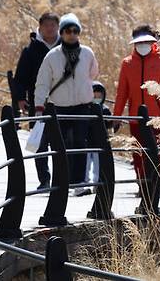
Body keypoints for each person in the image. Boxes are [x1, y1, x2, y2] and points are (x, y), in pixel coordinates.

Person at [35, 14, 99, 195]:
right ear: (61, 33)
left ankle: (78, 183)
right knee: (61, 146)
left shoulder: (88, 53)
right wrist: (39, 107)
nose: (71, 34)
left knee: (80, 143)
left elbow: (93, 73)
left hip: (81, 106)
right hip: (59, 107)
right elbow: (42, 83)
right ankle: (62, 182)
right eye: (67, 30)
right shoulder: (51, 56)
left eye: (75, 30)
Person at [113, 25, 160, 176]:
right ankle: (142, 185)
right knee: (138, 153)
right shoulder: (127, 63)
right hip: (136, 118)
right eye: (139, 41)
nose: (143, 45)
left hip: (159, 117)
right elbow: (122, 93)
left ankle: (156, 183)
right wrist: (116, 117)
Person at [14, 13, 60, 189]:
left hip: (62, 103)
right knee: (40, 143)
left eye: (53, 25)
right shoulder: (31, 50)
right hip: (38, 102)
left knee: (61, 142)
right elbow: (20, 78)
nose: (50, 28)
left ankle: (61, 178)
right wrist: (20, 99)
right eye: (46, 25)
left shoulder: (67, 47)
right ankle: (44, 180)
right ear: (40, 27)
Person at [84, 81, 113, 191]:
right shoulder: (85, 108)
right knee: (85, 165)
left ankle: (97, 184)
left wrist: (112, 123)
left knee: (98, 166)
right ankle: (85, 183)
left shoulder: (105, 109)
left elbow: (109, 123)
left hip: (99, 142)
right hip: (87, 142)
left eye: (99, 96)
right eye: (94, 95)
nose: (96, 98)